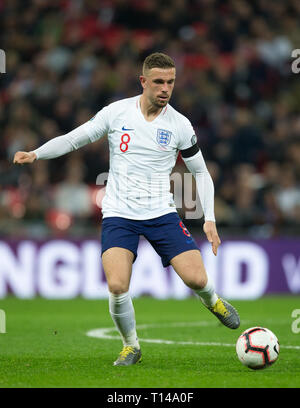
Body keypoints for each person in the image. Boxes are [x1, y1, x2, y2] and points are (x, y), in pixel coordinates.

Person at [13, 52, 240, 366]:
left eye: (171, 82)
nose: (165, 88)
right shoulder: (117, 113)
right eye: (158, 81)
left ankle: (213, 301)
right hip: (119, 214)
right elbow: (73, 139)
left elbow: (200, 173)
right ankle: (131, 346)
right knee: (118, 285)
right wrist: (36, 154)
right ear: (143, 81)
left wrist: (210, 219)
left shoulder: (180, 125)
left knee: (197, 279)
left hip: (161, 213)